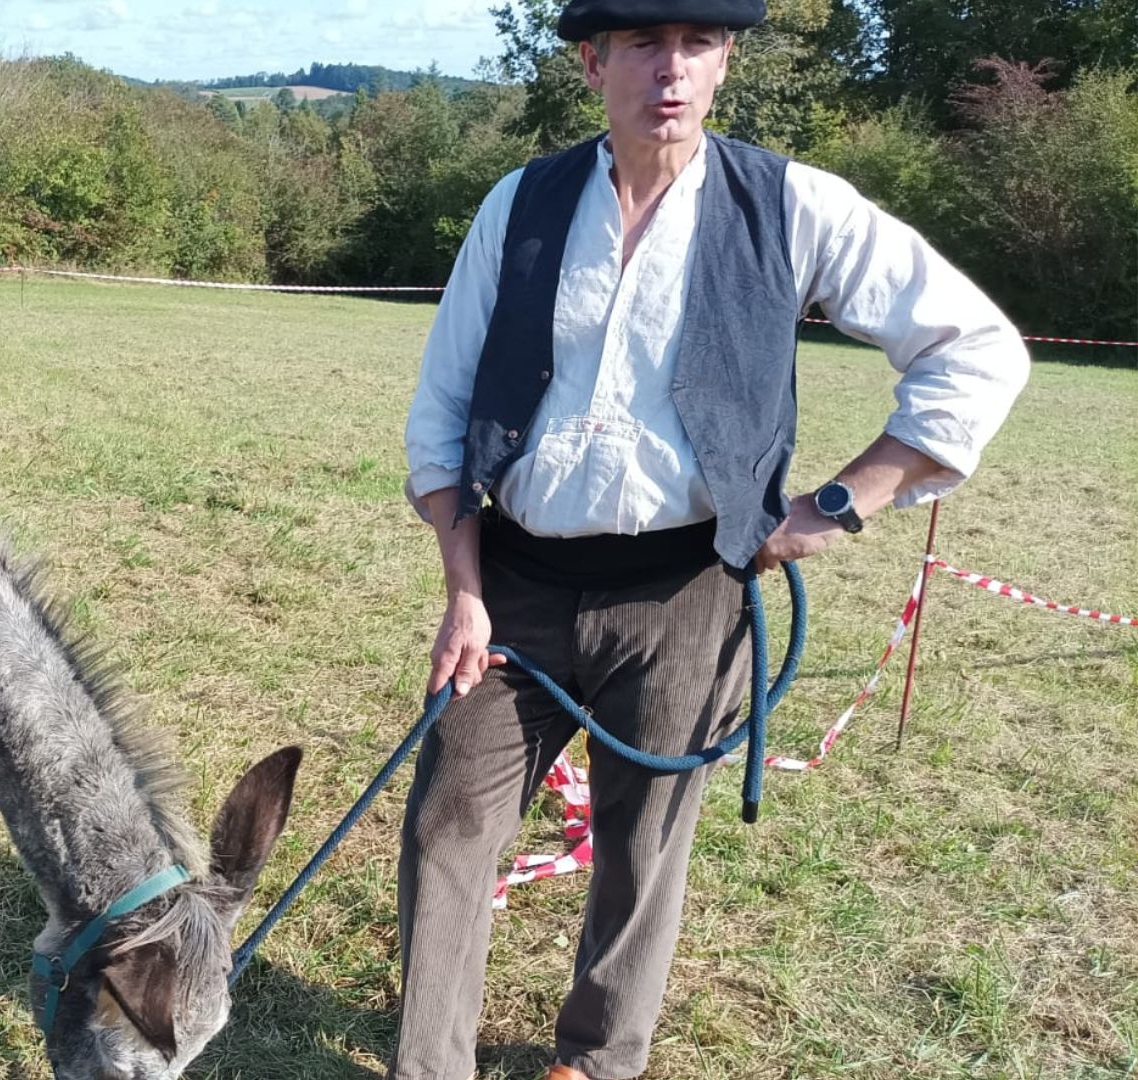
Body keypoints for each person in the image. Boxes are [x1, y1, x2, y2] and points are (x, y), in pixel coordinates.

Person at [394, 2, 1031, 1078]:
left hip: (693, 582)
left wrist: (840, 503)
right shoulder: (523, 204)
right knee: (445, 826)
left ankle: (596, 1062)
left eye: (698, 44)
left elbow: (976, 347)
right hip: (515, 580)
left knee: (643, 852)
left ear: (728, 59)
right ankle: (429, 1066)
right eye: (644, 43)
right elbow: (441, 416)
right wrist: (464, 587)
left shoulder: (792, 205)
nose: (671, 70)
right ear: (594, 60)